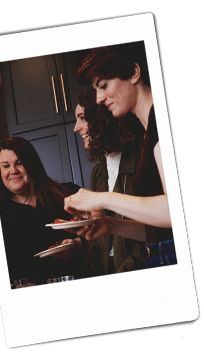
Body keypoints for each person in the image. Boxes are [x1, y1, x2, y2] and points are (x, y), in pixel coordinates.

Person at [64, 42, 177, 269]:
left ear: (134, 73)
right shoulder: (149, 131)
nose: (98, 98)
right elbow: (161, 228)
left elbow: (178, 210)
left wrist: (102, 198)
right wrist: (111, 225)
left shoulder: (163, 119)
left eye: (104, 86)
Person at [66, 87, 146, 276]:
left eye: (82, 118)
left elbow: (154, 233)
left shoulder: (141, 158)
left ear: (101, 117)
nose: (76, 127)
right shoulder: (98, 172)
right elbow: (97, 241)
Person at [0, 136, 85, 288]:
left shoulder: (68, 193)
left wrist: (77, 244)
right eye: (6, 166)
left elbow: (102, 238)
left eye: (19, 163)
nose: (13, 171)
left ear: (32, 165)